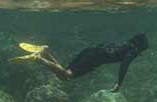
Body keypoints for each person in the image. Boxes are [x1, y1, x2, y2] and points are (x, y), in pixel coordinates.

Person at [11, 33, 148, 91]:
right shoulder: (133, 51)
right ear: (140, 46)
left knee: (63, 74)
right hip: (94, 59)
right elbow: (124, 65)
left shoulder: (124, 44)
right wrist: (119, 84)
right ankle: (39, 59)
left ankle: (45, 51)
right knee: (66, 75)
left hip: (90, 51)